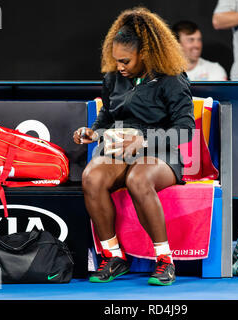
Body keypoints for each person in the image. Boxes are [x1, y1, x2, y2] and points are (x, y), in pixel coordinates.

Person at [73, 7, 195, 286]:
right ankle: (113, 256)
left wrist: (144, 140)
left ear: (146, 54)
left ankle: (165, 260)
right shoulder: (113, 78)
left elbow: (185, 130)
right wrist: (93, 133)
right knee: (91, 177)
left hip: (160, 152)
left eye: (125, 60)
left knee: (138, 178)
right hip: (118, 151)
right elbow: (106, 117)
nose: (119, 66)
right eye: (115, 60)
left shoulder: (172, 79)